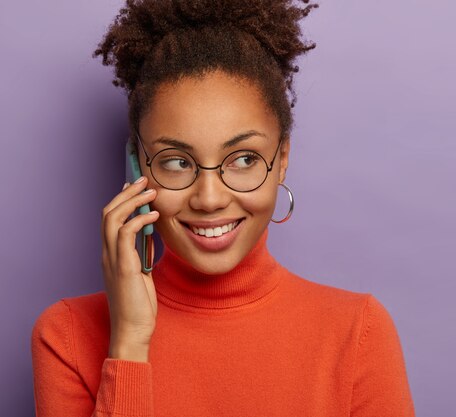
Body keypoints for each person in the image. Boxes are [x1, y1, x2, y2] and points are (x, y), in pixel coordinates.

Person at [30, 1, 416, 415]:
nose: (210, 198)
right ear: (138, 164)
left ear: (282, 157)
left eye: (244, 158)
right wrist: (129, 343)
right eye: (177, 162)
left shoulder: (359, 332)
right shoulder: (66, 334)